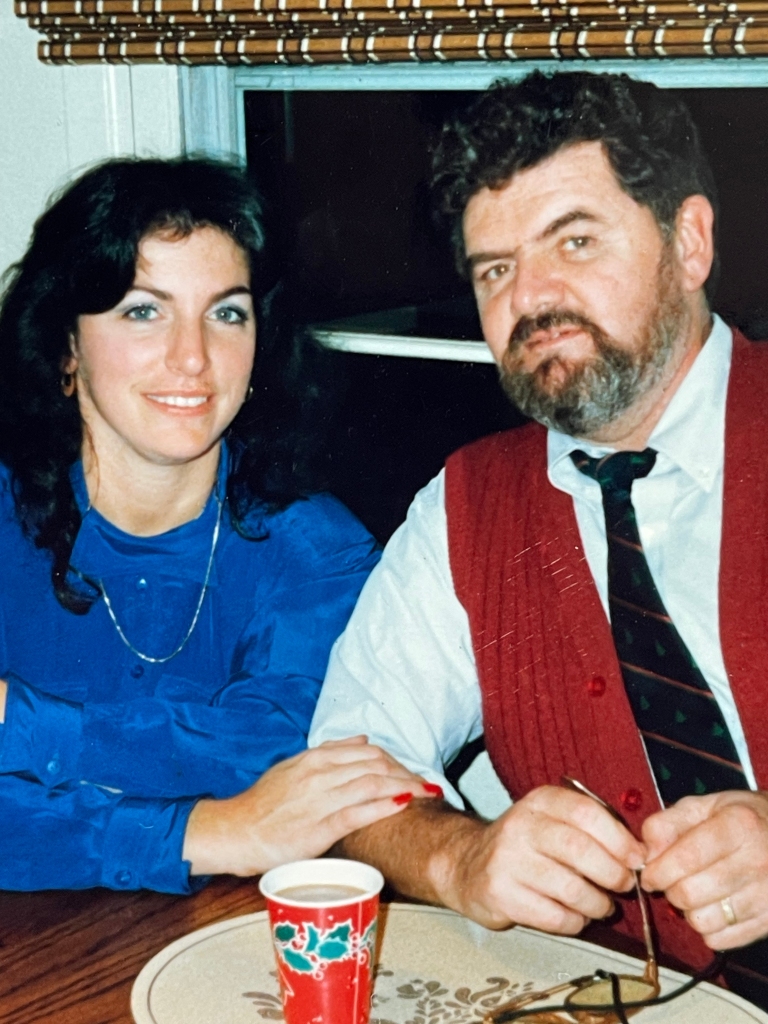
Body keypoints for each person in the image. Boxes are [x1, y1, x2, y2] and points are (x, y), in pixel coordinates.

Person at [310, 71, 768, 1008]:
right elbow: (349, 767)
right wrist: (461, 857)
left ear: (689, 242)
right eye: (495, 268)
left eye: (576, 240)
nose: (533, 297)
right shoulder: (467, 506)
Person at [0, 157, 436, 894]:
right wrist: (211, 831)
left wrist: (23, 725)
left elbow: (284, 756)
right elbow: (243, 793)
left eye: (226, 312)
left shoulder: (321, 557)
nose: (193, 357)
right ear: (66, 346)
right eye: (144, 310)